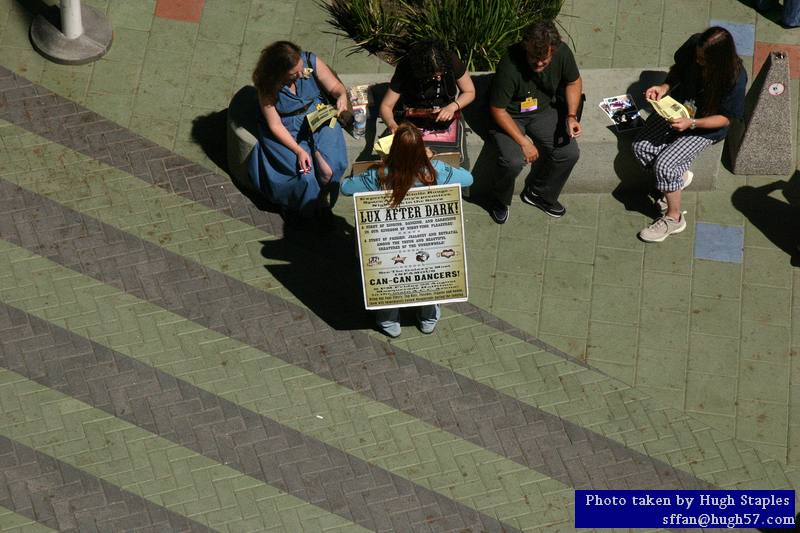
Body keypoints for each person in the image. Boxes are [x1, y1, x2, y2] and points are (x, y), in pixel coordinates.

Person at [341, 123, 474, 337]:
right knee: (428, 272)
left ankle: (388, 320)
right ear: (422, 150)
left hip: (388, 242)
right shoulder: (435, 171)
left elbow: (346, 188)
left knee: (387, 275)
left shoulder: (379, 176)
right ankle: (428, 317)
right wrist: (431, 158)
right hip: (427, 238)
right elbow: (468, 179)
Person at [633, 27, 746, 243]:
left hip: (704, 126)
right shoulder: (695, 45)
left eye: (704, 59)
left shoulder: (735, 78)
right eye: (698, 56)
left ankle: (674, 218)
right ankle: (675, 180)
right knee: (641, 147)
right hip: (678, 109)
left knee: (665, 166)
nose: (699, 60)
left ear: (719, 60)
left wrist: (692, 123)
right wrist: (664, 86)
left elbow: (725, 118)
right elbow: (678, 70)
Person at [487, 20, 582, 224]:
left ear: (554, 49)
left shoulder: (562, 53)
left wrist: (571, 116)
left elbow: (574, 82)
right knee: (512, 161)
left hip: (542, 110)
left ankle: (539, 194)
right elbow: (498, 110)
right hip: (510, 116)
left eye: (544, 61)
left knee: (569, 152)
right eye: (533, 58)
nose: (539, 64)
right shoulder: (509, 66)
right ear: (525, 46)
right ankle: (499, 200)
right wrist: (524, 142)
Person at [250, 41, 348, 220]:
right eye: (294, 73)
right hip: (288, 129)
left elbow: (335, 87)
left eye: (301, 68)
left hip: (318, 114)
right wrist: (299, 150)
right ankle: (302, 209)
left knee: (329, 169)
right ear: (279, 73)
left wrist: (341, 96)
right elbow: (275, 125)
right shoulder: (267, 86)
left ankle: (322, 200)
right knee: (305, 175)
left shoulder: (309, 60)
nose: (301, 74)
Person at [379, 41, 476, 134]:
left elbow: (469, 92)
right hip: (413, 118)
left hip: (448, 117)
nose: (438, 78)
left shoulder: (451, 60)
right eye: (433, 75)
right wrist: (392, 125)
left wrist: (453, 106)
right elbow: (386, 106)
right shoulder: (406, 67)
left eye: (442, 73)